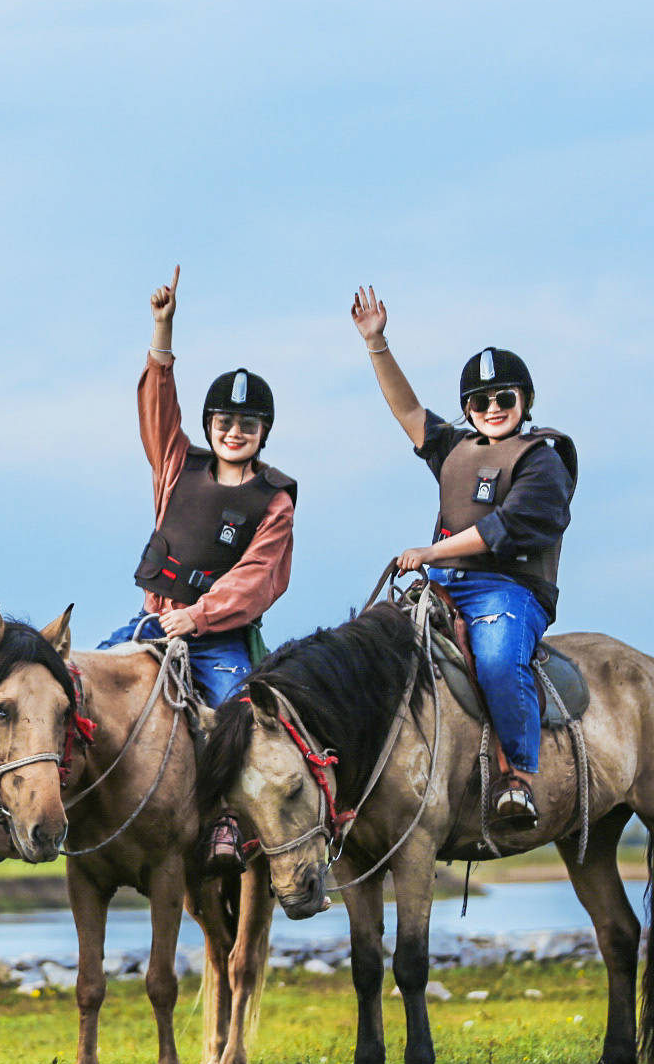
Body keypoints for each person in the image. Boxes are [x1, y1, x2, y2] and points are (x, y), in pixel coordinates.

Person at [350, 284, 577, 827]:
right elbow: (406, 409)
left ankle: (517, 777)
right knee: (369, 645)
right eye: (480, 401)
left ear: (525, 401)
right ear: (468, 408)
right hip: (445, 587)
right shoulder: (454, 448)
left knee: (498, 659)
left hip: (509, 590)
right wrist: (376, 344)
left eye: (504, 398)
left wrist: (431, 550)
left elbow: (509, 525)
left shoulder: (543, 460)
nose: (492, 409)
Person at [101, 265, 297, 878]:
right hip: (153, 620)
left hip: (218, 639)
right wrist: (162, 331)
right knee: (82, 687)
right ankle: (85, 814)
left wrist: (199, 615)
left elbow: (258, 577)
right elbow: (159, 410)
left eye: (247, 424)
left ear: (262, 432)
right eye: (224, 422)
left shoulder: (275, 501)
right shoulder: (178, 466)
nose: (233, 432)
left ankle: (228, 827)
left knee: (235, 718)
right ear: (211, 425)